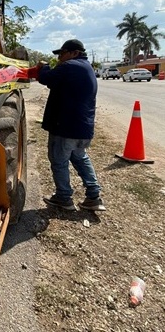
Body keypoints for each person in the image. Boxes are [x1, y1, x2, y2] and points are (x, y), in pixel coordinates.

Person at [33, 39, 105, 212]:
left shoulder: (70, 66)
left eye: (62, 53)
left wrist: (44, 67)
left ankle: (64, 198)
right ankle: (94, 196)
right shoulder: (86, 67)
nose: (59, 58)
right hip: (83, 127)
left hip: (65, 127)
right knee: (80, 158)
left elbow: (46, 78)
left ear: (75, 53)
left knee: (59, 161)